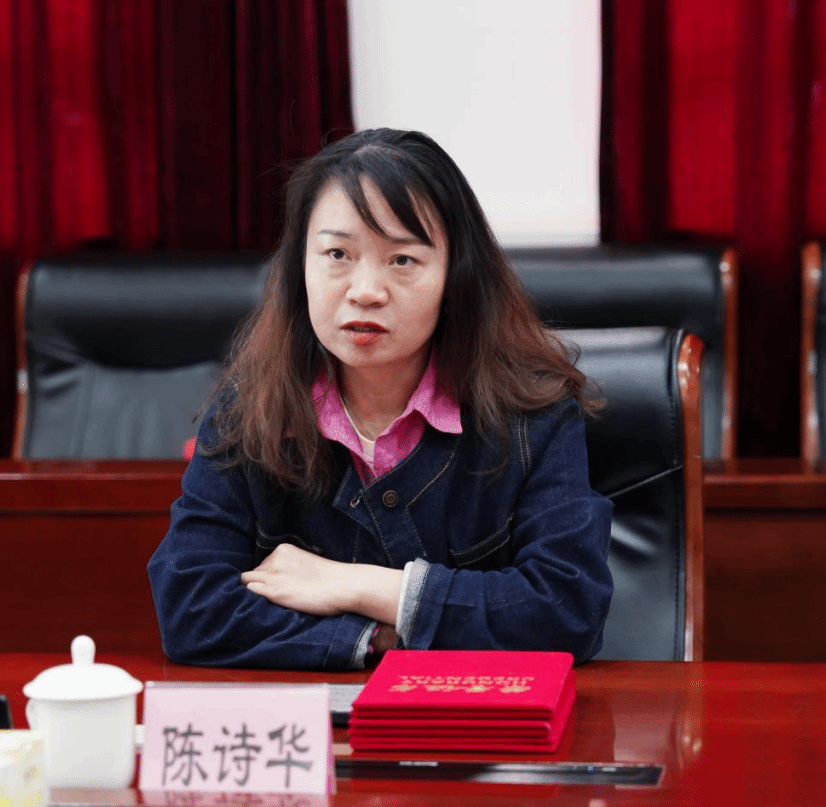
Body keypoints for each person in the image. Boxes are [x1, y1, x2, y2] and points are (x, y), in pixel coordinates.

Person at [147, 128, 613, 669]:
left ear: (455, 275)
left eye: (402, 260)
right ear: (300, 268)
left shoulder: (533, 416)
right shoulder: (246, 411)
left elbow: (567, 609)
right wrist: (379, 635)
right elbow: (191, 607)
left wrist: (355, 585)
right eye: (337, 253)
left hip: (476, 717)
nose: (365, 291)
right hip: (317, 723)